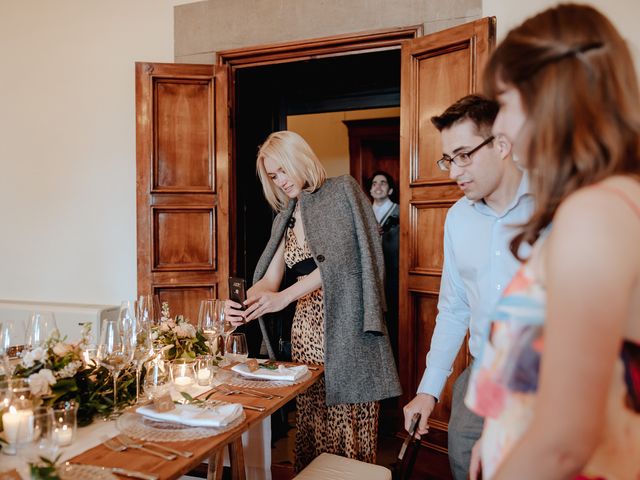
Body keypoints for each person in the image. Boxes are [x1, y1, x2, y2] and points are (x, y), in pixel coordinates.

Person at [464, 4, 640, 479]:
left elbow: (564, 441)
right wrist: (493, 434)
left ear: (549, 95)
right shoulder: (604, 202)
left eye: (503, 102)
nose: (497, 126)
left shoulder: (596, 213)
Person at [225, 130, 401, 471]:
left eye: (283, 170)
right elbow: (269, 281)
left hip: (347, 331)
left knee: (348, 435)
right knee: (311, 429)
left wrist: (283, 298)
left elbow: (344, 260)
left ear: (300, 158)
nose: (280, 181)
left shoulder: (342, 190)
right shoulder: (286, 216)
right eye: (273, 176)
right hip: (305, 337)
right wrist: (239, 304)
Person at [402, 94, 534, 480]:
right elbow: (454, 308)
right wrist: (428, 390)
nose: (453, 171)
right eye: (448, 159)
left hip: (545, 380)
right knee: (465, 465)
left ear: (502, 145)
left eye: (463, 155)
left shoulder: (555, 206)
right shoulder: (457, 218)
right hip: (479, 377)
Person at [369, 171, 400, 355]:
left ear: (390, 189)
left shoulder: (400, 210)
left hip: (393, 275)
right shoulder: (365, 213)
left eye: (382, 183)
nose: (378, 186)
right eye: (374, 183)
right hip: (372, 275)